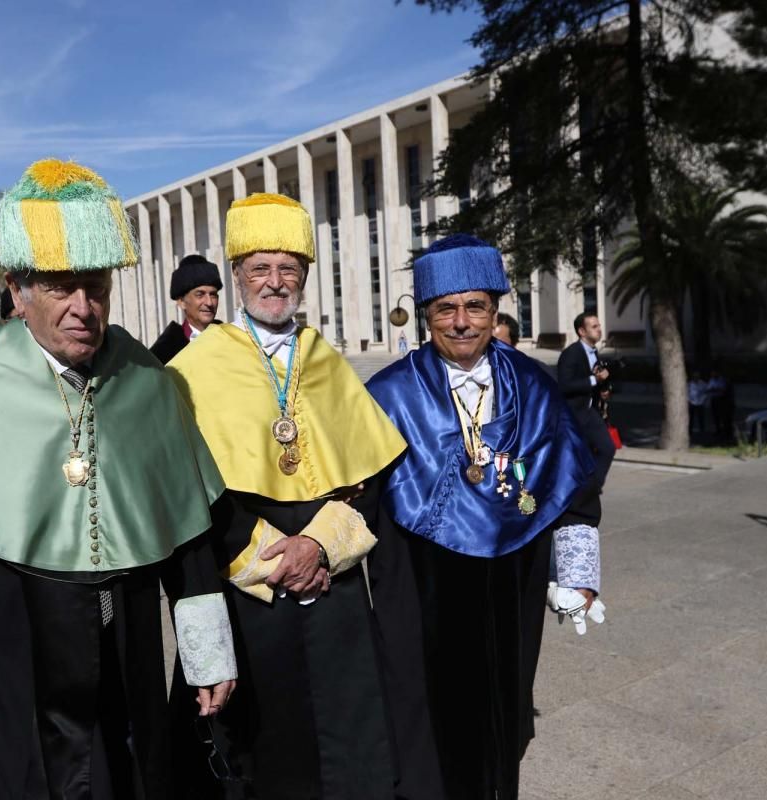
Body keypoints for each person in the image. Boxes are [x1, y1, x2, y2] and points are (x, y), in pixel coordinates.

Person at [0, 159, 237, 799]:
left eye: (95, 287)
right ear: (16, 291)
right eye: (59, 287)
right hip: (8, 658)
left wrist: (206, 652)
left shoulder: (146, 379)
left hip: (125, 654)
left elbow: (189, 529)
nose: (83, 308)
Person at [166, 193, 408, 800]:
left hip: (334, 587)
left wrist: (320, 548)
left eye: (287, 270)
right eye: (259, 269)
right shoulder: (198, 366)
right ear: (237, 275)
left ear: (303, 275)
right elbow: (188, 483)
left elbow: (367, 474)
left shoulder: (325, 359)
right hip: (249, 590)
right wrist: (276, 557)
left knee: (349, 751)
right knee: (257, 755)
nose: (275, 283)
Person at [366, 234, 601, 800]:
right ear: (427, 316)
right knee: (426, 728)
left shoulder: (534, 385)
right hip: (420, 580)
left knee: (505, 716)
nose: (462, 322)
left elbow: (574, 487)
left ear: (495, 311)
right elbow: (358, 498)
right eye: (446, 309)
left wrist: (576, 572)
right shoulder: (386, 395)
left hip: (512, 581)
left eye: (475, 306)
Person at [557, 312, 616, 485]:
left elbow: (592, 383)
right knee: (576, 456)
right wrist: (594, 380)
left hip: (590, 412)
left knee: (607, 448)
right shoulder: (571, 353)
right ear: (582, 331)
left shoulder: (594, 352)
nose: (599, 330)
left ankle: (592, 488)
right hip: (574, 413)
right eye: (594, 327)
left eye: (599, 326)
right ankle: (583, 490)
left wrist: (603, 391)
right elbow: (564, 386)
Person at [150, 255, 223, 364]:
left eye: (213, 295)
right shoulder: (164, 353)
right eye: (200, 294)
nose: (209, 302)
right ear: (181, 302)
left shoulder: (229, 338)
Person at [708, 368, 734, 441]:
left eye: (714, 373)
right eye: (712, 374)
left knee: (725, 418)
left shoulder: (723, 380)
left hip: (723, 401)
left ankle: (727, 433)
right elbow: (709, 389)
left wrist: (715, 389)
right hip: (714, 400)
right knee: (715, 416)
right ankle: (718, 430)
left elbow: (723, 390)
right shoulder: (712, 380)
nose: (712, 375)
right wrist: (715, 389)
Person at [688, 371, 709, 437]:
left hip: (700, 403)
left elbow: (706, 392)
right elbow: (686, 393)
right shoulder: (689, 384)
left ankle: (702, 431)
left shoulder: (703, 384)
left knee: (701, 418)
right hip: (692, 403)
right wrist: (689, 401)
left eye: (697, 376)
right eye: (694, 377)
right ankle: (689, 431)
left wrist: (703, 400)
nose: (695, 378)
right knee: (690, 418)